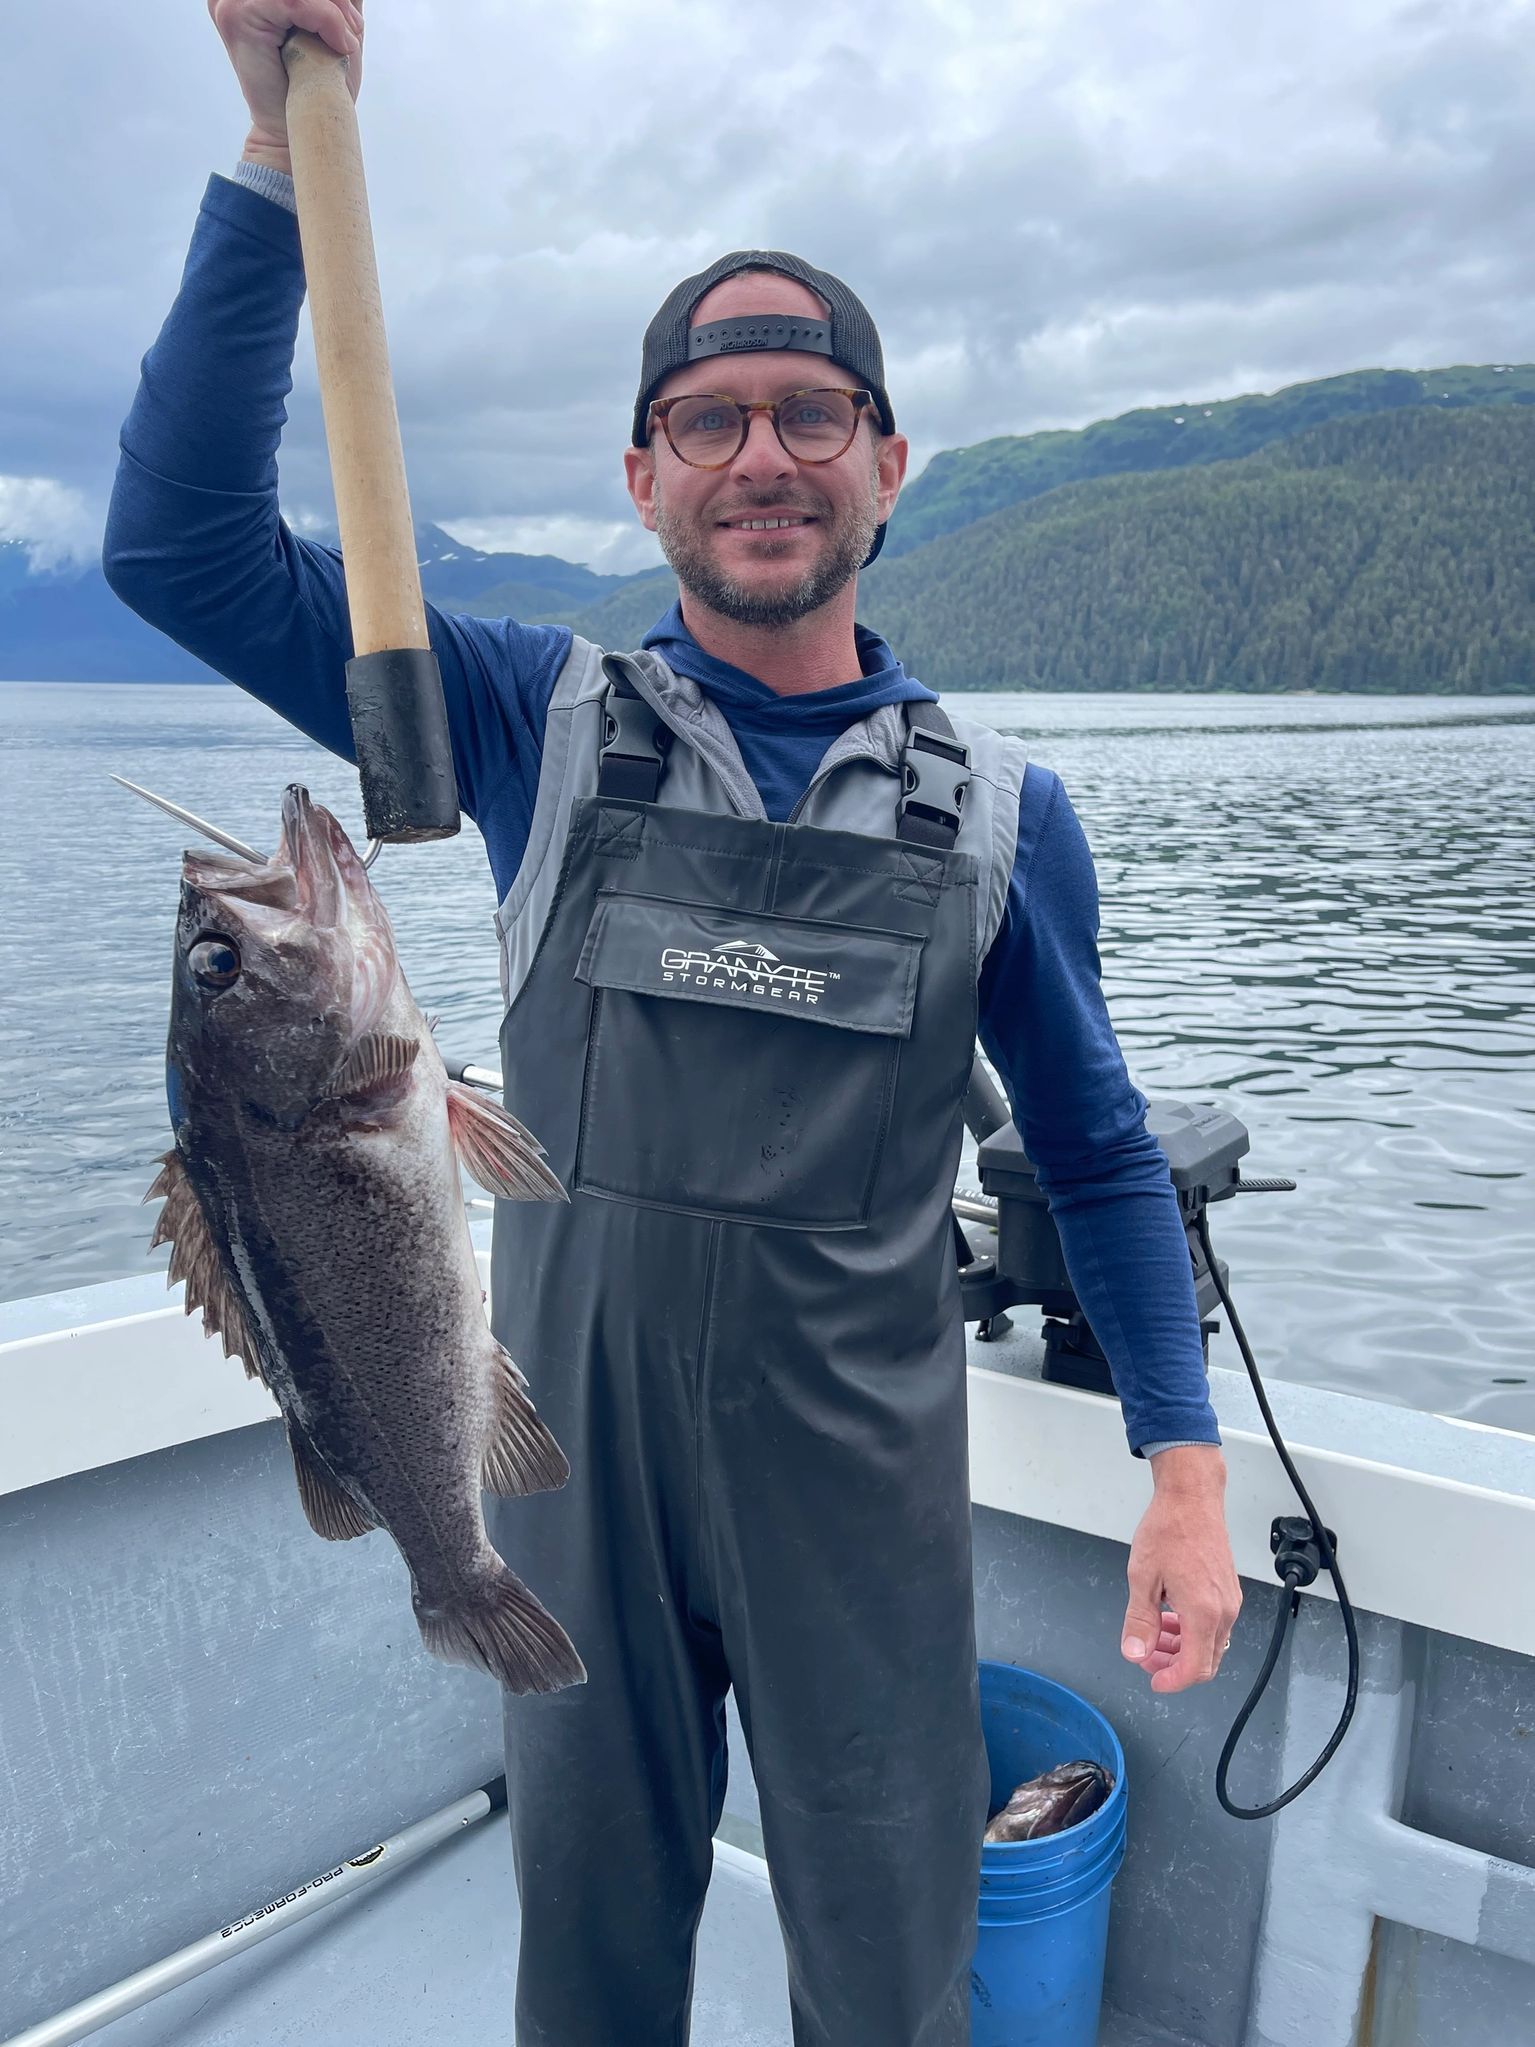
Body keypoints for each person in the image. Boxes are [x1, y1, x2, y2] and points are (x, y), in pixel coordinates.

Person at [104, 5, 1243, 2040]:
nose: (764, 454)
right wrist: (281, 149)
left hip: (859, 1496)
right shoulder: (530, 727)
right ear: (642, 477)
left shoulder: (1002, 817)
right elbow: (173, 543)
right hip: (564, 1474)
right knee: (595, 1966)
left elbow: (1091, 1147)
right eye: (709, 418)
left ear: (891, 464)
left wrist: (1183, 1468)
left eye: (814, 412)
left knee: (890, 1981)